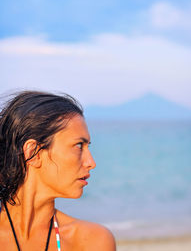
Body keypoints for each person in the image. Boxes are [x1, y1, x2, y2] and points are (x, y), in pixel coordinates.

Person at [0, 91, 116, 251]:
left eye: (87, 147)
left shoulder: (92, 242)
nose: (91, 163)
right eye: (78, 146)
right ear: (33, 152)